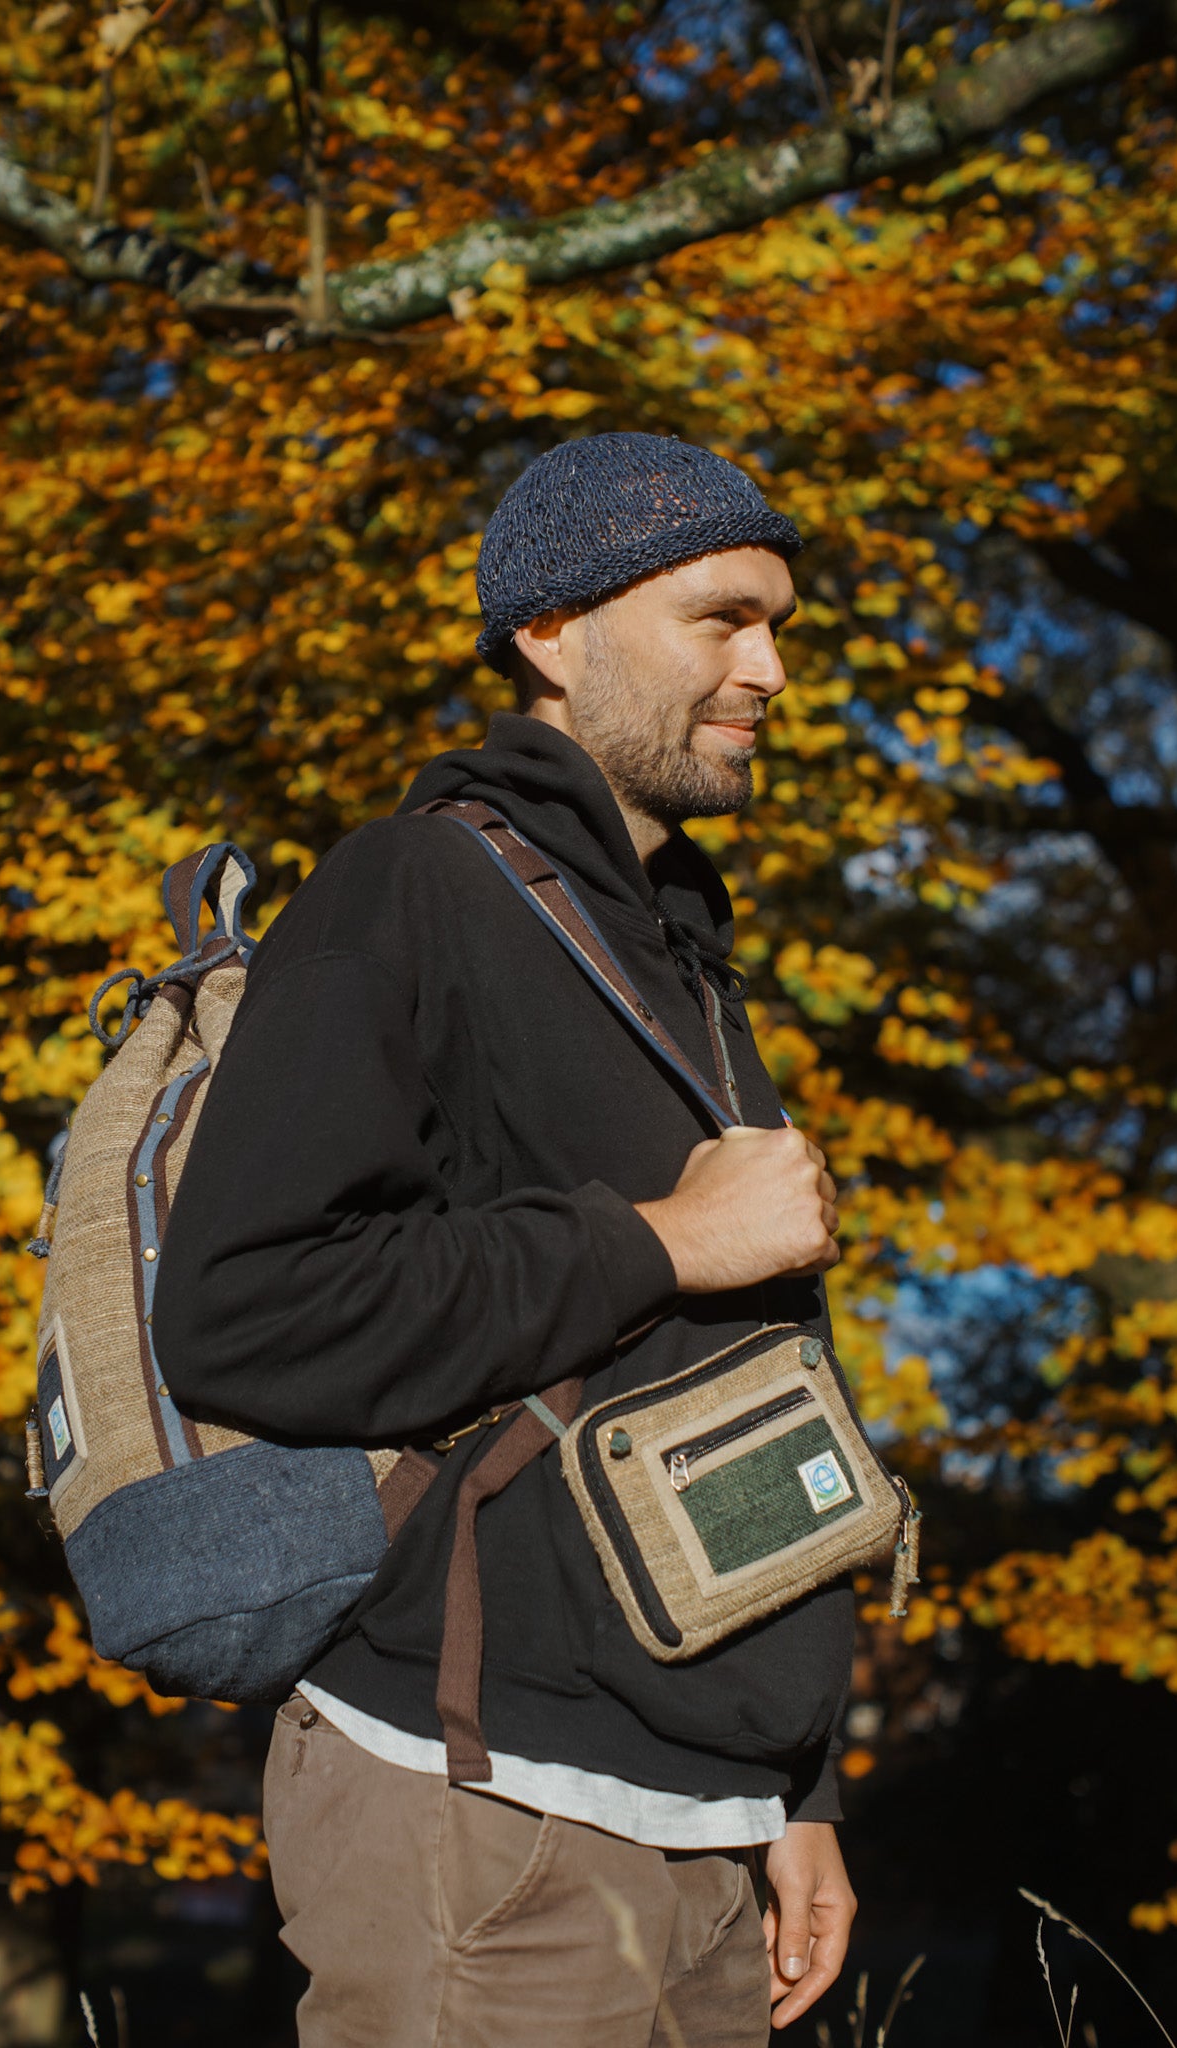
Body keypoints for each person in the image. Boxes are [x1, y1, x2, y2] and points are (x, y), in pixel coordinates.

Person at [154, 433, 856, 2047]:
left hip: (703, 1824)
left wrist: (799, 1782)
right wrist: (658, 1242)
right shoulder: (409, 890)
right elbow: (248, 1312)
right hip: (479, 1813)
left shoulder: (678, 948)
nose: (765, 668)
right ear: (551, 630)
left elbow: (741, 1388)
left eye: (779, 629)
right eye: (719, 619)